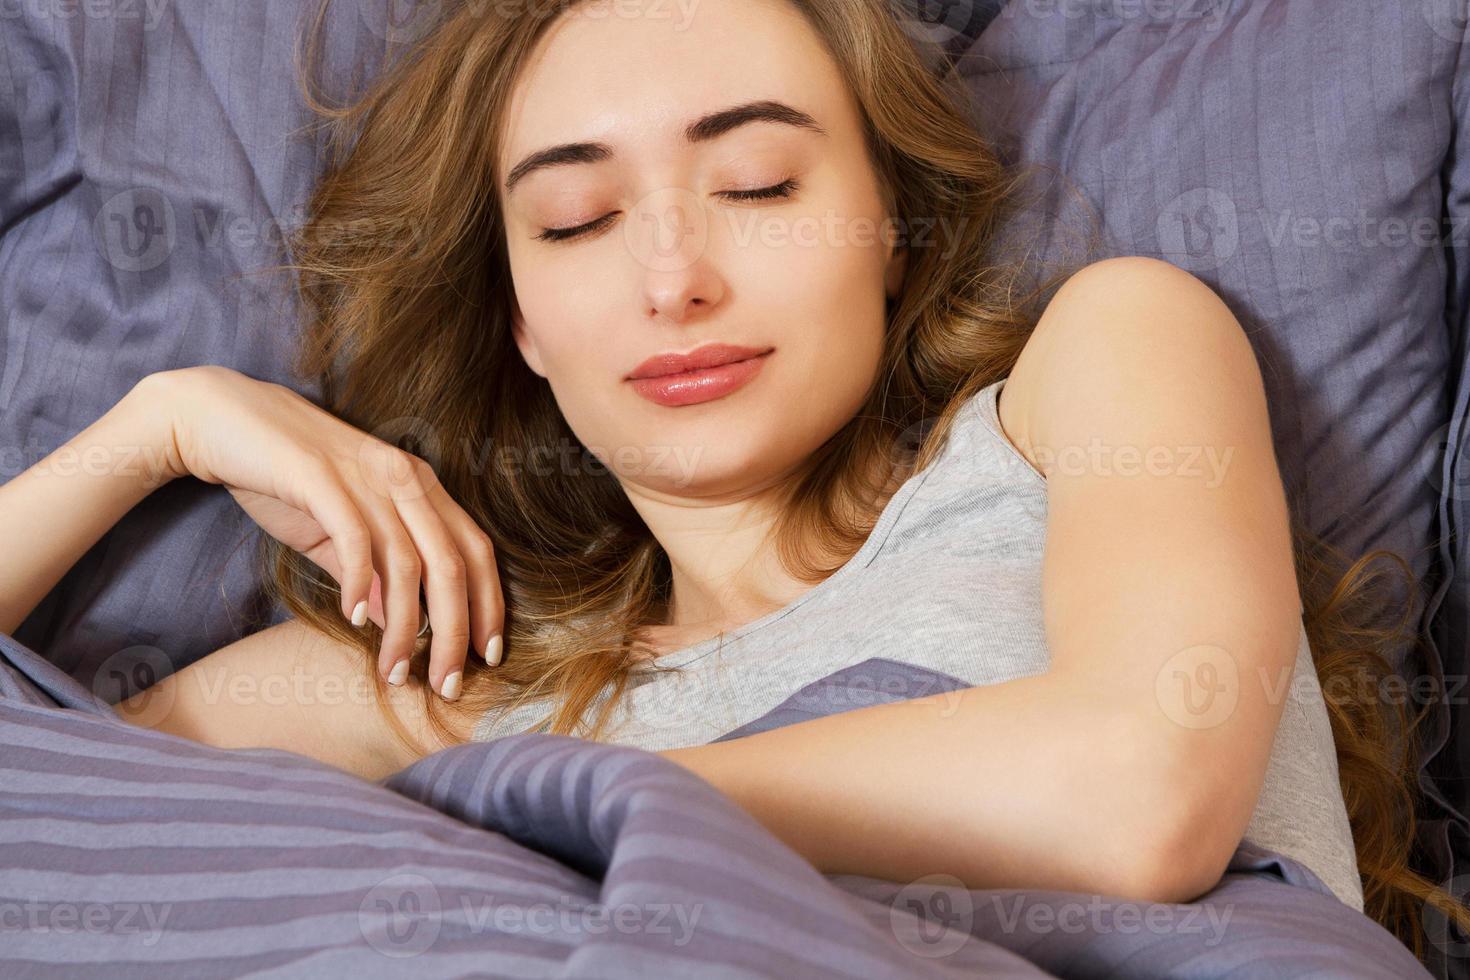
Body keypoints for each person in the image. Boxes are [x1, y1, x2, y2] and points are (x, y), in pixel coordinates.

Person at [2, 0, 1463, 959]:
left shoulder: (1097, 366)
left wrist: (541, 802)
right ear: (517, 316)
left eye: (758, 186)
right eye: (574, 221)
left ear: (887, 222)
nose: (672, 279)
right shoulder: (458, 683)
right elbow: (47, 814)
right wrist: (158, 428)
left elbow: (1143, 792)